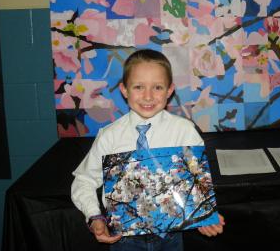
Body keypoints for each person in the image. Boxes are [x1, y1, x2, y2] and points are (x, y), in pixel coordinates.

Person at [71, 48, 225, 250]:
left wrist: (205, 216)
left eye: (158, 87)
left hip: (171, 238)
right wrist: (94, 216)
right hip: (124, 240)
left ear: (170, 90)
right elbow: (84, 180)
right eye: (138, 87)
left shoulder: (184, 131)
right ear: (124, 90)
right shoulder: (109, 136)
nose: (148, 96)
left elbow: (197, 181)